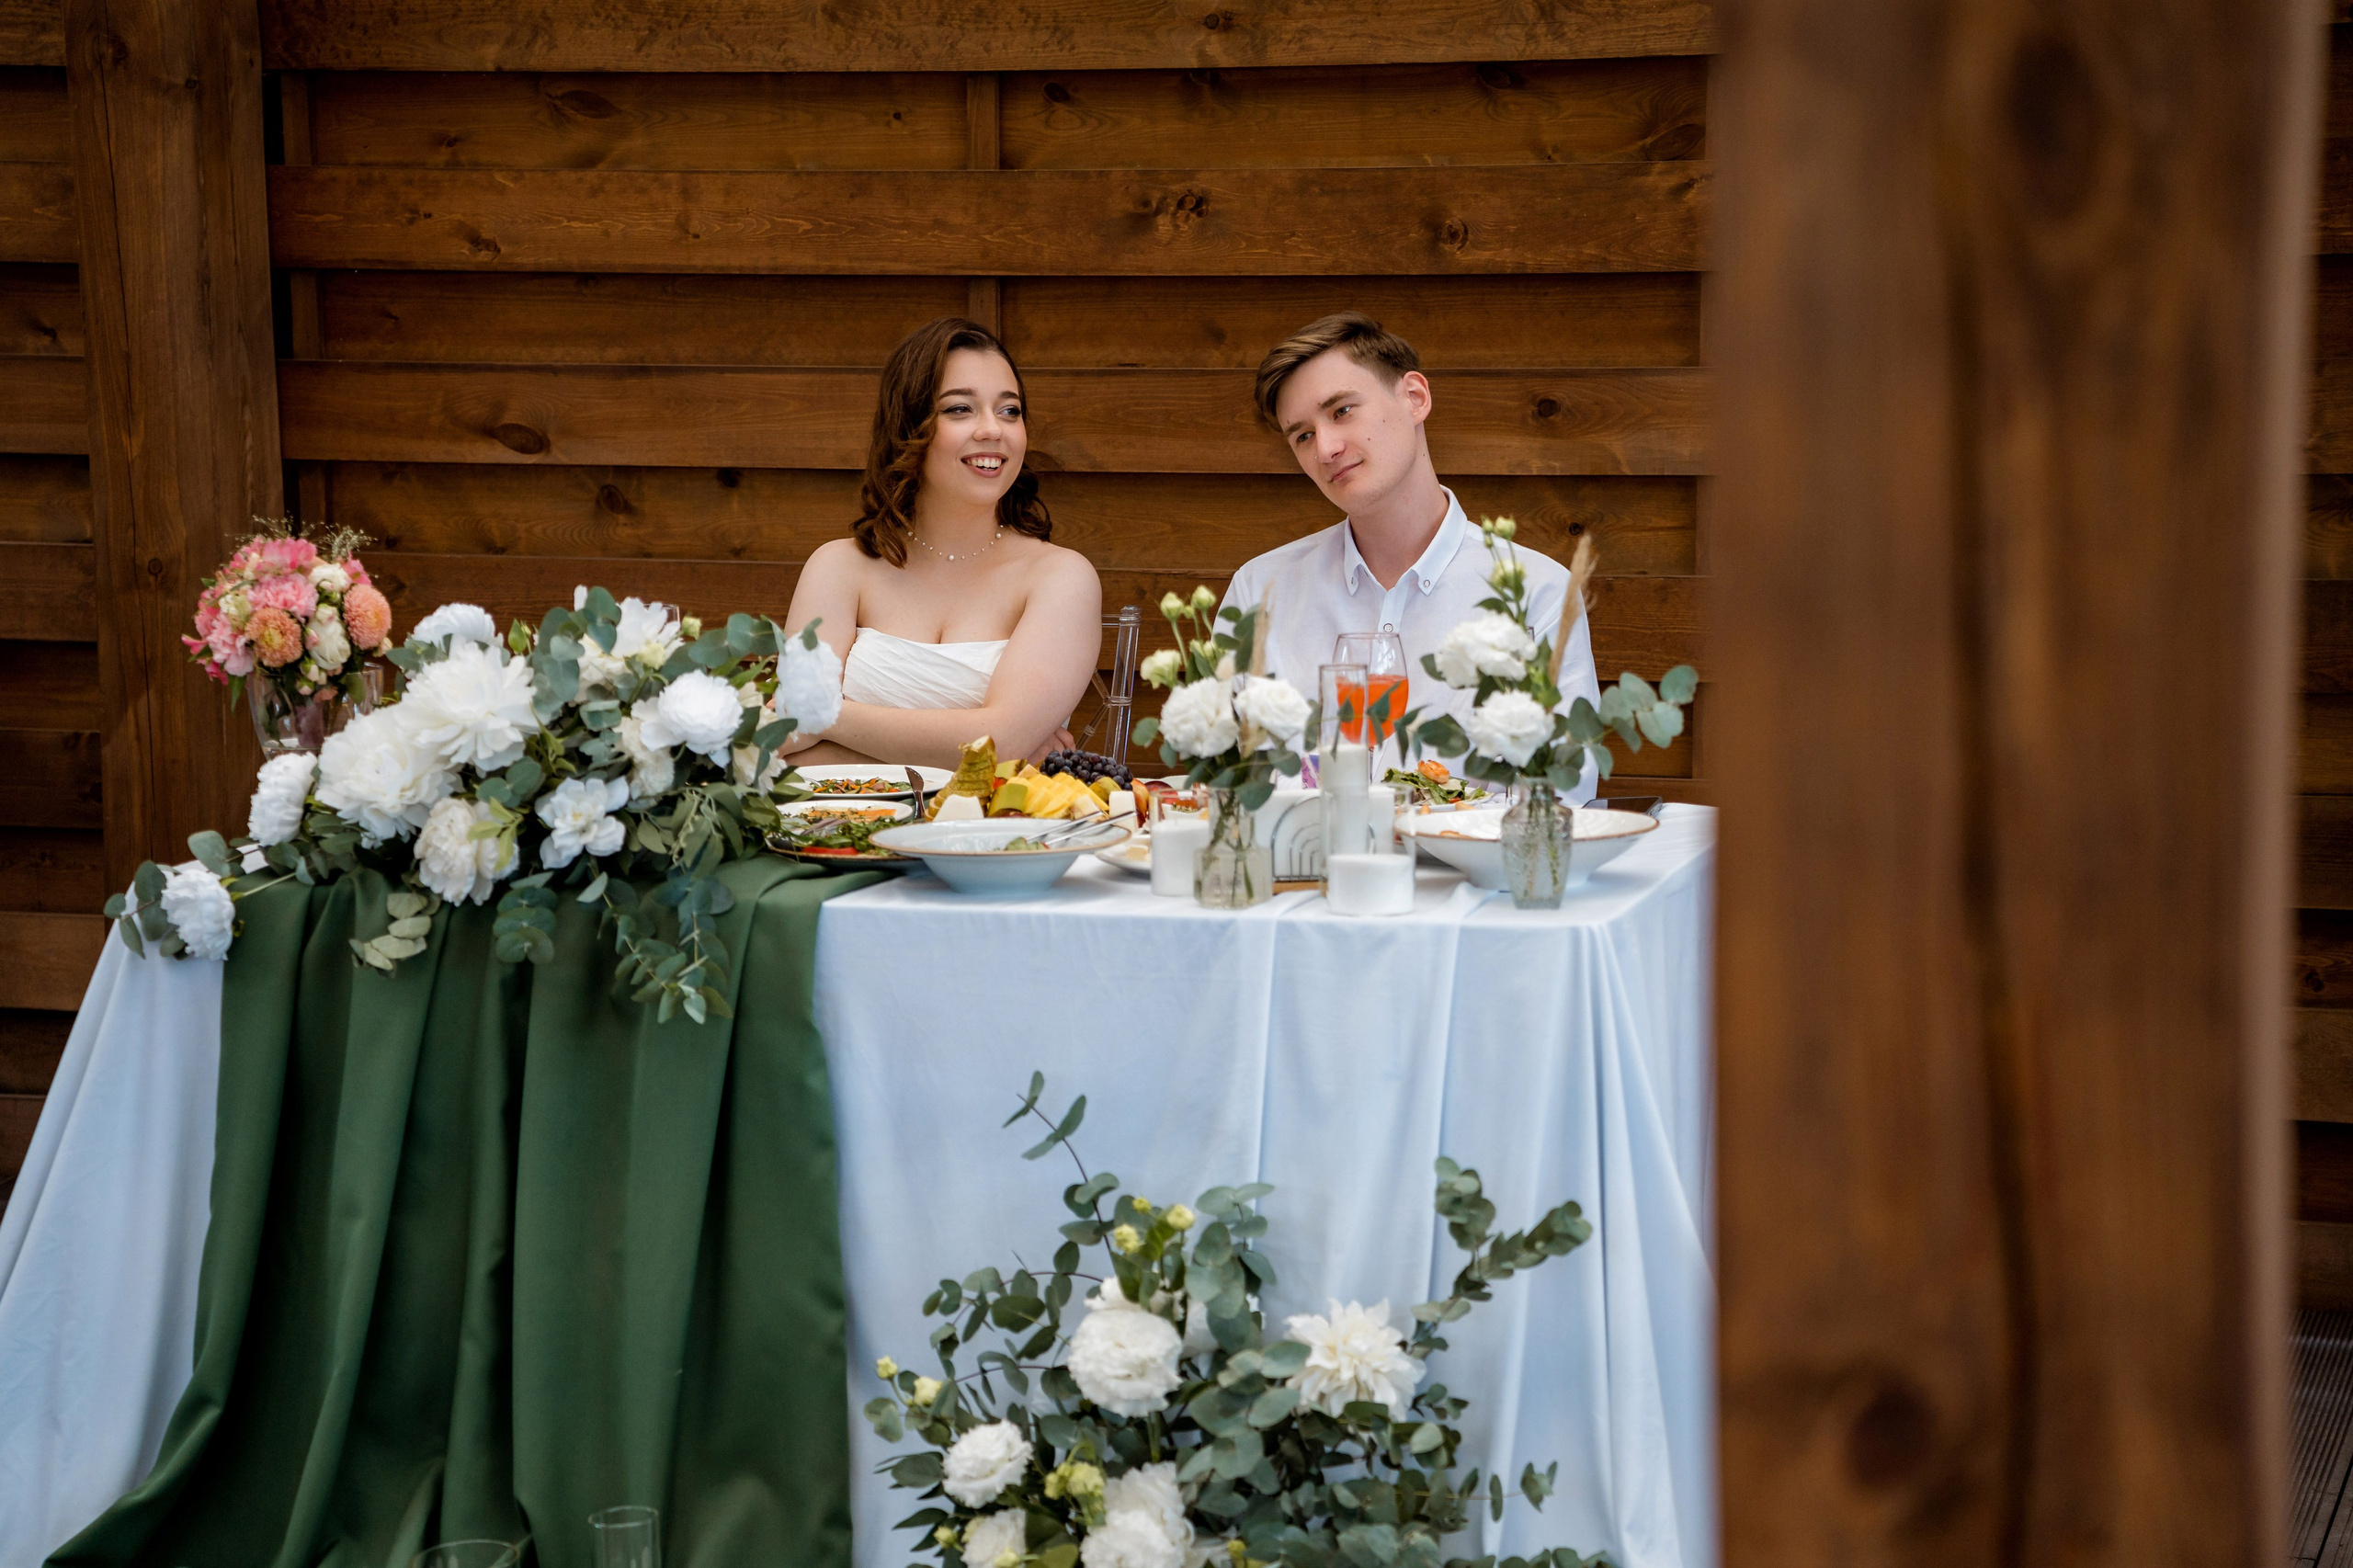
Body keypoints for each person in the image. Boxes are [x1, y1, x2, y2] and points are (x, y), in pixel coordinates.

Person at [1220, 312, 1603, 801]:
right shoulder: (1259, 591)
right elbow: (1232, 786)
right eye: (1303, 436)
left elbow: (1558, 796)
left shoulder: (1537, 593)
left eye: (1341, 411)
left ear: (1414, 398)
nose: (1327, 449)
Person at [782, 317, 1102, 768]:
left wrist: (825, 719)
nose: (993, 429)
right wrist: (991, 750)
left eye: (1010, 410)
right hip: (840, 830)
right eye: (960, 409)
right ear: (909, 426)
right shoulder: (837, 568)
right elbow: (779, 745)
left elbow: (999, 744)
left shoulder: (1060, 578)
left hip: (997, 835)